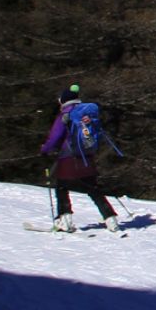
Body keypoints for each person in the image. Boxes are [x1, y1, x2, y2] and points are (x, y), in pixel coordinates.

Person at [41, 85, 119, 233]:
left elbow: (55, 137)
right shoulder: (86, 114)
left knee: (62, 187)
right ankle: (110, 218)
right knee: (93, 189)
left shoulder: (65, 115)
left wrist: (45, 149)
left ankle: (65, 220)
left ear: (63, 101)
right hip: (86, 157)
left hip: (68, 157)